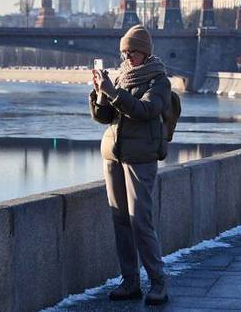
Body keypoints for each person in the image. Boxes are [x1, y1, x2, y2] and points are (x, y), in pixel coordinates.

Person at [89, 24, 172, 306]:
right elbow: (104, 117)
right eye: (123, 53)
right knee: (121, 221)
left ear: (145, 53)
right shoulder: (123, 77)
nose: (126, 58)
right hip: (113, 154)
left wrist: (113, 92)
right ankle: (130, 281)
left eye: (131, 53)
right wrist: (99, 92)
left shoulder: (158, 81)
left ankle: (158, 282)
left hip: (141, 158)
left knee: (141, 222)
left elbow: (145, 110)